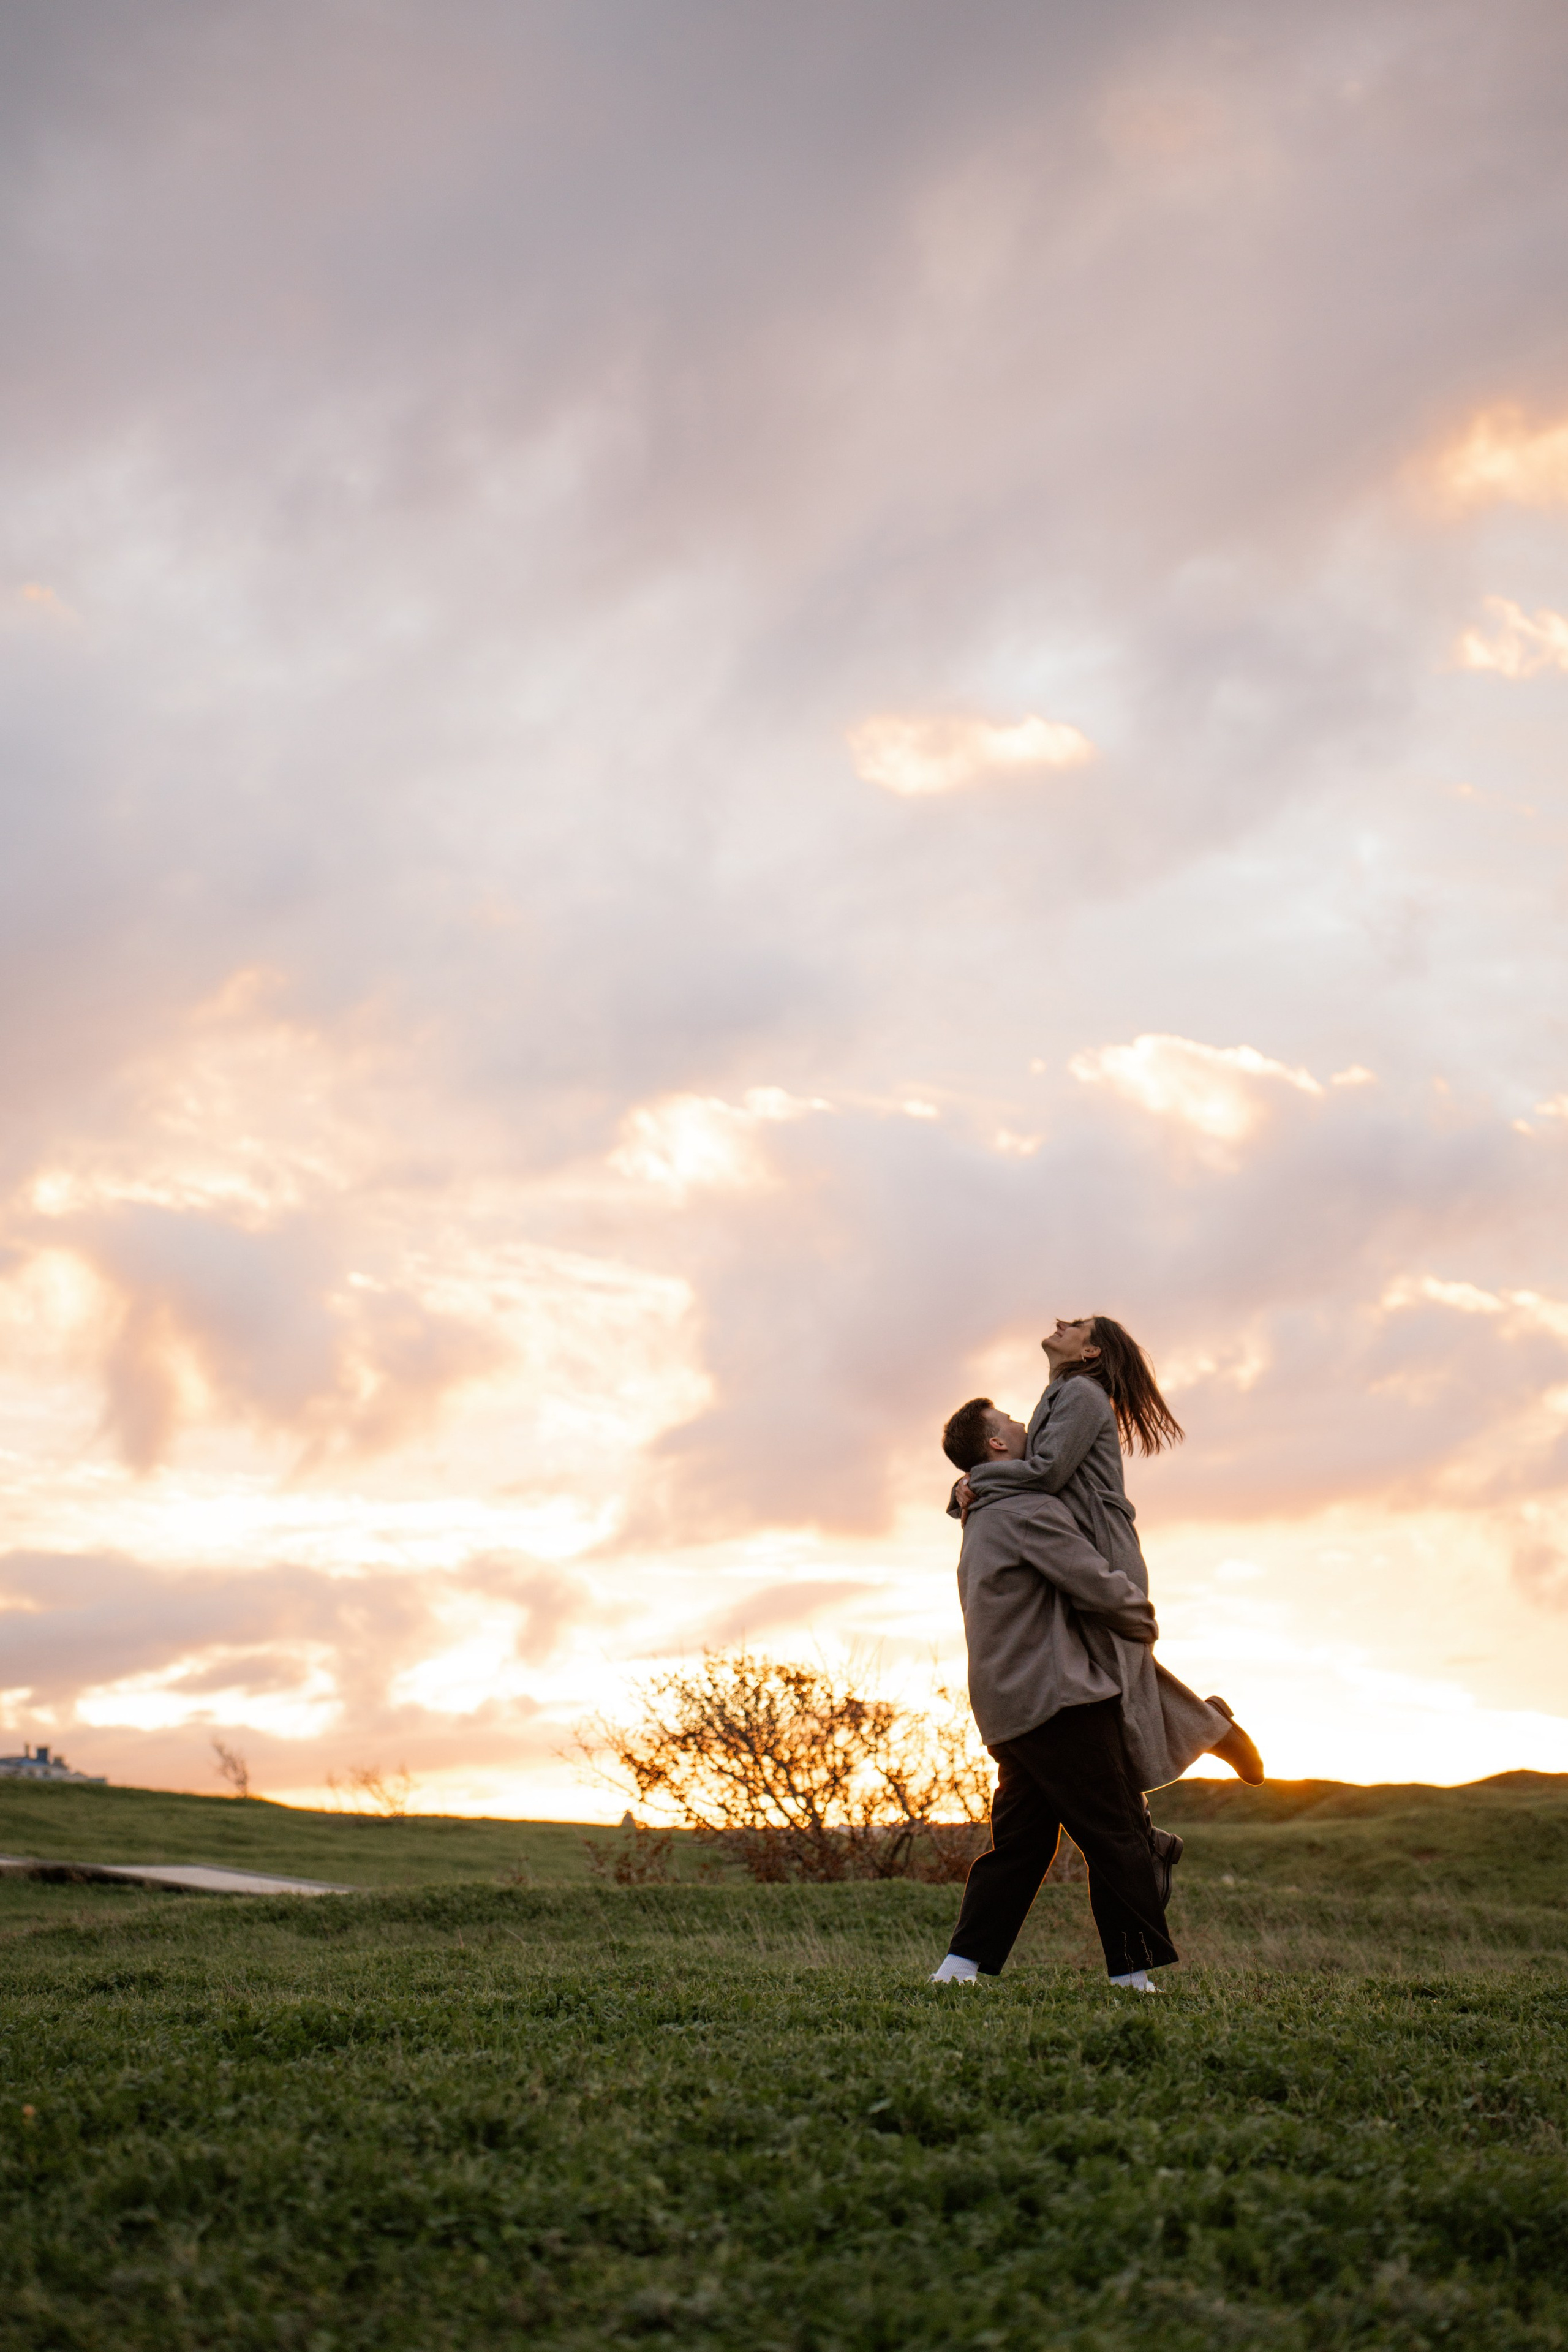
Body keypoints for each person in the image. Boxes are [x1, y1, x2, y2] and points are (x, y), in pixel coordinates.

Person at [930, 1435, 1179, 1991]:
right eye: (1013, 1423)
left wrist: (961, 1487)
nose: (1026, 1428)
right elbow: (1091, 1580)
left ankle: (959, 1968)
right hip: (1057, 1696)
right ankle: (1133, 1976)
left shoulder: (981, 1512)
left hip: (1007, 1705)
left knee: (1022, 1842)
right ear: (995, 1442)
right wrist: (1142, 1618)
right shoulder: (1026, 1511)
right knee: (1115, 1830)